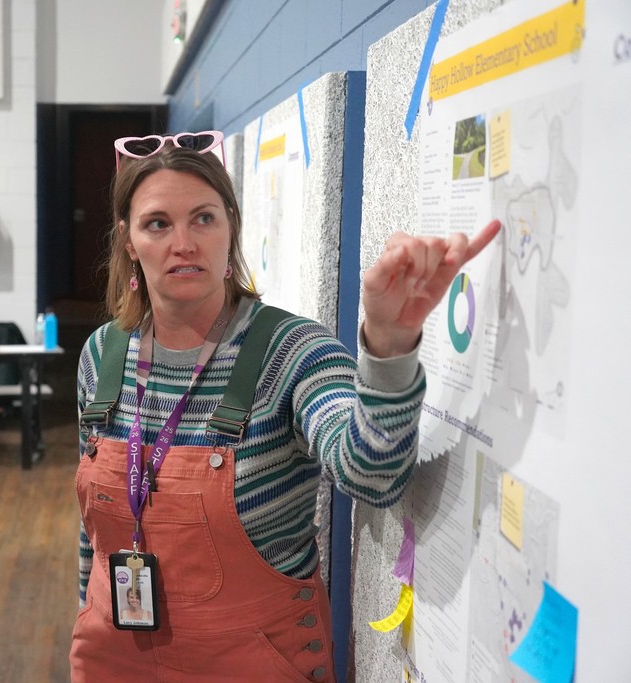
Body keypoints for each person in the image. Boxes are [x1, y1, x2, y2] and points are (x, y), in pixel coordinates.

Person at [70, 131, 501, 681]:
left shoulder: (292, 352)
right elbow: (96, 529)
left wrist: (389, 346)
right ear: (129, 240)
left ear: (231, 228)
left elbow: (371, 477)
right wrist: (87, 610)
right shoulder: (102, 354)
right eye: (158, 223)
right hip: (113, 660)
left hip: (256, 664)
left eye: (203, 218)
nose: (184, 242)